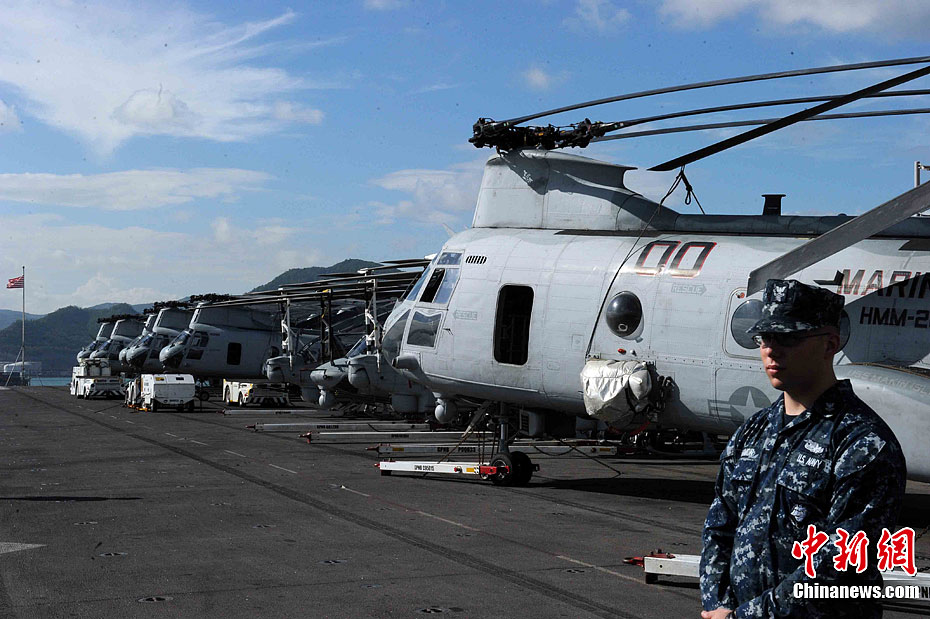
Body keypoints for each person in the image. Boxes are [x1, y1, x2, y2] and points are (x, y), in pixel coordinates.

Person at [700, 279, 907, 618]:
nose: (771, 350)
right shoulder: (754, 431)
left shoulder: (863, 442)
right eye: (765, 338)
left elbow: (838, 564)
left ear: (830, 344)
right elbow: (719, 526)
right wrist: (718, 605)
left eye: (788, 338)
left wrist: (745, 616)